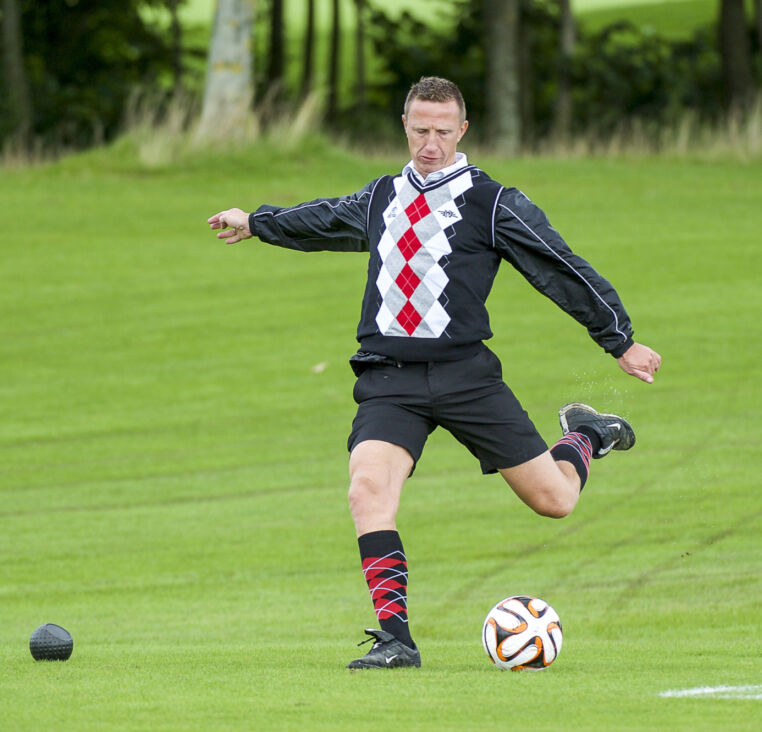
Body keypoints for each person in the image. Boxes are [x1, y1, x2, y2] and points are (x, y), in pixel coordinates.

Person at [206, 76, 661, 670]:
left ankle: (586, 434)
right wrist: (258, 221)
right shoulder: (381, 197)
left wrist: (618, 341)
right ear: (405, 126)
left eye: (442, 131)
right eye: (420, 129)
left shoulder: (493, 202)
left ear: (462, 131)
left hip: (467, 377)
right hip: (389, 380)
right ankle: (397, 641)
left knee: (554, 501)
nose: (430, 143)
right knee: (366, 490)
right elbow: (322, 220)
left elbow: (559, 267)